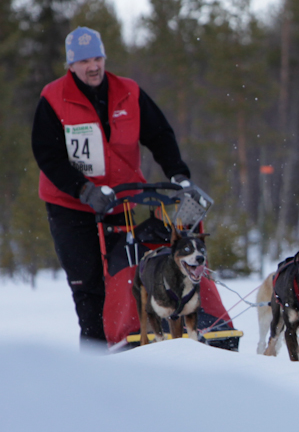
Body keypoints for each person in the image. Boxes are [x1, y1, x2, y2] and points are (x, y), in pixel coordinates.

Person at [31, 26, 196, 350]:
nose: (93, 66)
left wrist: (178, 173)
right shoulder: (53, 98)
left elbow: (159, 135)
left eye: (97, 58)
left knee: (128, 282)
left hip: (120, 204)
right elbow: (47, 155)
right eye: (84, 61)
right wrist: (83, 190)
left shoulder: (128, 92)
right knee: (89, 288)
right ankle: (95, 360)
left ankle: (131, 350)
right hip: (70, 207)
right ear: (71, 65)